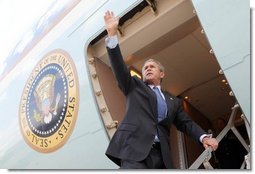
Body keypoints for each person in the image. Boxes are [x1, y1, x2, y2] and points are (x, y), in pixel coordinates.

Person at [103, 10, 218, 169]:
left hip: (161, 157)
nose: (148, 69)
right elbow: (119, 68)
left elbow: (186, 123)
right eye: (145, 68)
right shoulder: (134, 86)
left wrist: (204, 137)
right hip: (134, 152)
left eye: (152, 67)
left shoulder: (174, 102)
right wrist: (112, 34)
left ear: (162, 73)